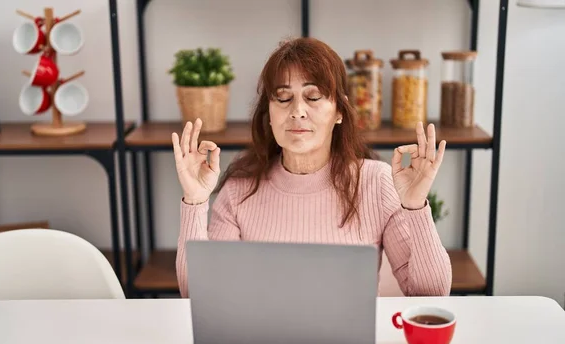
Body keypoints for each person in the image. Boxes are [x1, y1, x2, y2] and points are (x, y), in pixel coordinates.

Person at [171, 37, 452, 298]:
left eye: (313, 96)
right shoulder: (238, 190)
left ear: (339, 112)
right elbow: (200, 296)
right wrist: (195, 201)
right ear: (269, 114)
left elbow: (431, 294)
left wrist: (415, 206)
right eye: (283, 98)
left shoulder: (376, 183)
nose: (297, 111)